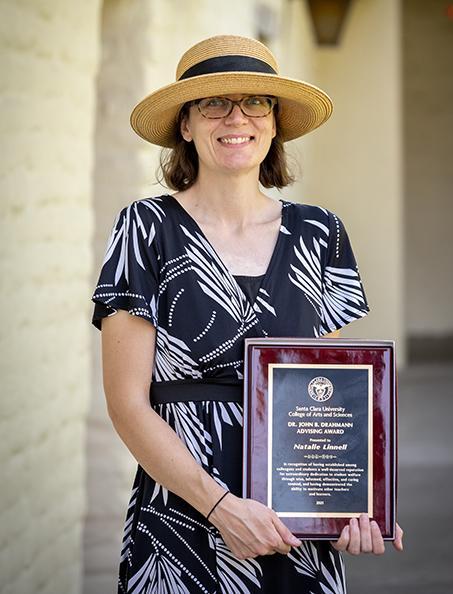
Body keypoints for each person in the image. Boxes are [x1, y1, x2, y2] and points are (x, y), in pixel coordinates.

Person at [91, 34, 403, 594]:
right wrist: (221, 507)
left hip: (294, 533)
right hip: (181, 522)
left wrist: (350, 502)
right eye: (214, 103)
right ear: (185, 124)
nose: (236, 118)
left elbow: (327, 397)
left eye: (255, 102)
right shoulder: (145, 228)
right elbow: (126, 403)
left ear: (276, 121)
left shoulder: (320, 233)